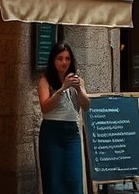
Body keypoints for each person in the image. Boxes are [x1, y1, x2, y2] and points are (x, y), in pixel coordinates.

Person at [36, 41, 90, 194]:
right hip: (51, 132)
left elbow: (86, 106)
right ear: (53, 60)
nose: (64, 62)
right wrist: (63, 88)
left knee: (74, 179)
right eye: (60, 58)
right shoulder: (45, 81)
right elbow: (45, 107)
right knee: (53, 181)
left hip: (71, 133)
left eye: (67, 58)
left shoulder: (78, 80)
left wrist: (79, 90)